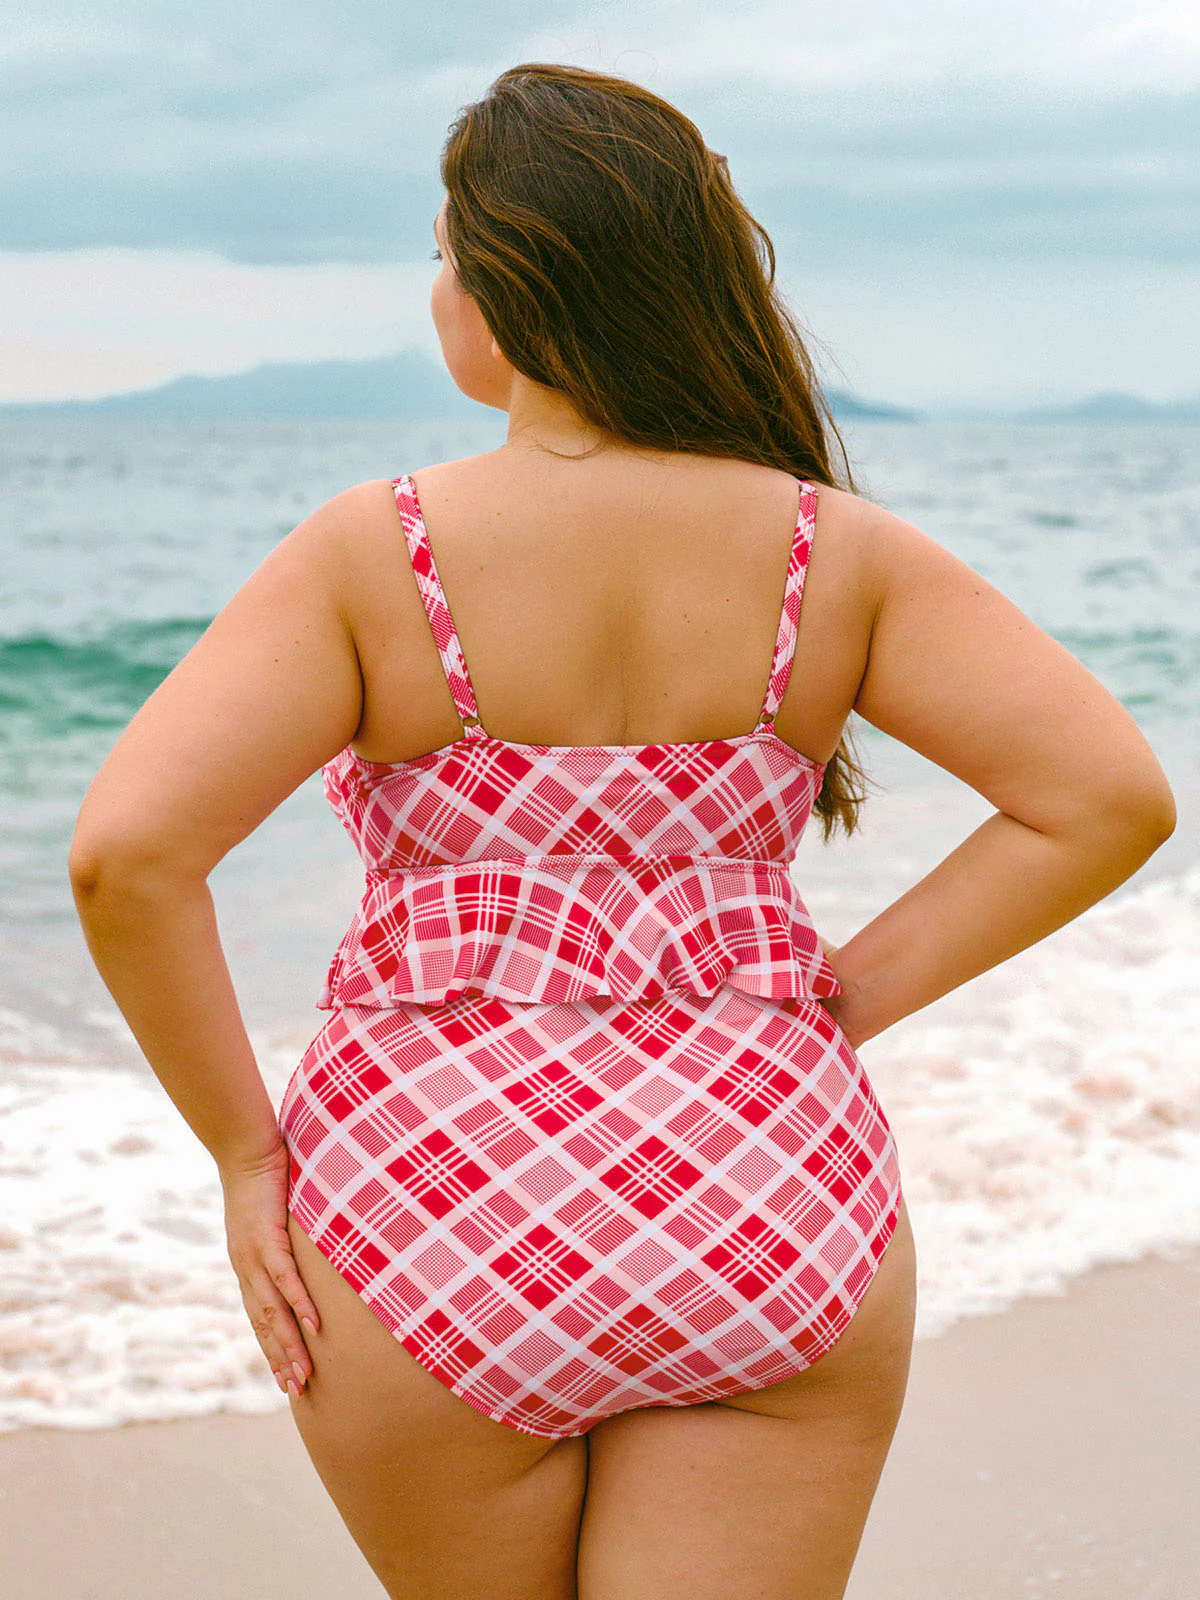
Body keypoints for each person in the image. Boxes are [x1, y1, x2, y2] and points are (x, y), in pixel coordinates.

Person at [69, 61, 1175, 1600]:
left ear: (509, 277)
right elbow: (1107, 799)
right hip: (768, 1193)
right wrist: (838, 999)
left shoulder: (373, 554)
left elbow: (127, 856)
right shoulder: (824, 550)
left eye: (446, 250)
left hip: (427, 1212)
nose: (437, 285)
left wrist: (247, 1155)